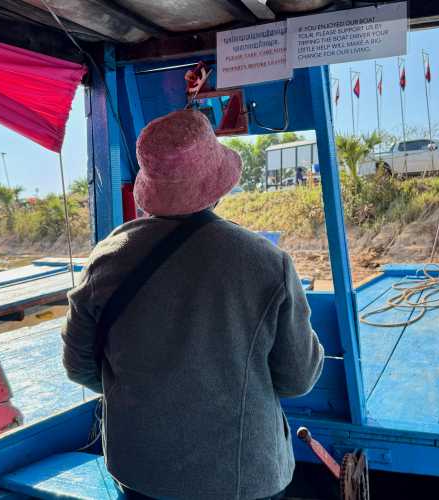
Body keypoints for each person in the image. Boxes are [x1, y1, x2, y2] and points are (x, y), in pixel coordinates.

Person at [62, 110, 324, 500]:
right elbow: (297, 378)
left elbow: (79, 365)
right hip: (242, 477)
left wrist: (150, 394)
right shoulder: (266, 263)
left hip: (141, 471)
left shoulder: (107, 259)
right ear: (217, 187)